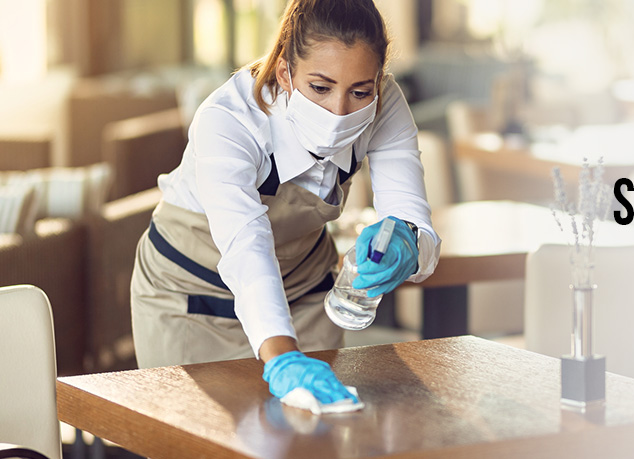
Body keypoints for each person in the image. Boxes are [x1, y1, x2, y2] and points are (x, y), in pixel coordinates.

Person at [130, 0, 439, 404]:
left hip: (306, 292)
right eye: (320, 87)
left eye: (360, 92)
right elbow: (246, 244)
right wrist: (282, 357)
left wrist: (409, 243)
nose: (339, 111)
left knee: (320, 434)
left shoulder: (385, 103)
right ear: (285, 73)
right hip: (189, 297)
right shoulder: (229, 120)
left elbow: (413, 217)